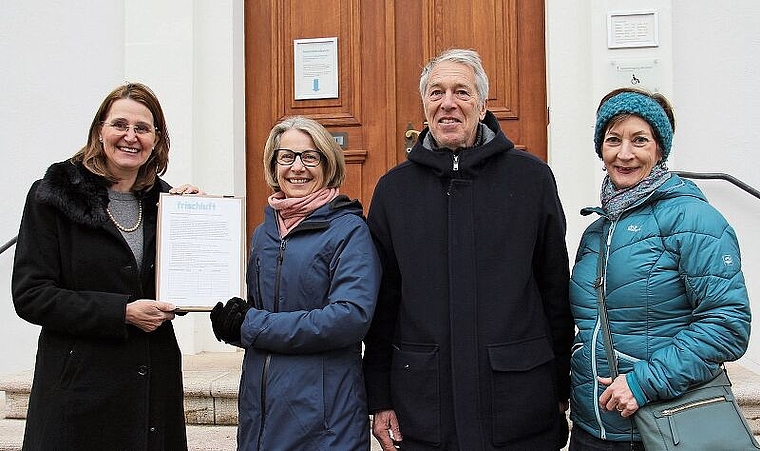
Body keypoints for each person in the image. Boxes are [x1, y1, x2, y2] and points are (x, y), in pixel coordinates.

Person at [363, 48, 574, 450]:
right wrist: (381, 397)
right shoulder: (394, 190)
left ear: (483, 104)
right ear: (424, 105)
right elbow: (384, 301)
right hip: (426, 404)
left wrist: (561, 380)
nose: (448, 103)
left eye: (462, 91)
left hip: (517, 400)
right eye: (436, 92)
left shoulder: (532, 179)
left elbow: (554, 288)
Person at [12, 82, 202, 450]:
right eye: (120, 125)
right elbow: (31, 295)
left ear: (156, 139)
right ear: (100, 130)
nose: (130, 137)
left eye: (143, 128)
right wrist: (122, 313)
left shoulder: (166, 204)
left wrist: (197, 221)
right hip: (79, 389)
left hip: (151, 386)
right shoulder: (52, 196)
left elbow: (177, 287)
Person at [568, 87, 751, 450]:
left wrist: (644, 382)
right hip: (593, 429)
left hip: (660, 425)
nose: (624, 154)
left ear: (659, 149)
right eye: (613, 139)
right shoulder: (597, 230)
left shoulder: (692, 218)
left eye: (640, 140)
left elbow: (728, 323)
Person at [210, 116, 381, 450]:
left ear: (327, 164)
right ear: (274, 166)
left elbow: (349, 318)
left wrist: (250, 324)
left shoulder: (348, 231)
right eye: (286, 157)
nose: (297, 167)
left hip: (323, 420)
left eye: (310, 157)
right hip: (261, 415)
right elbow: (255, 310)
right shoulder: (264, 233)